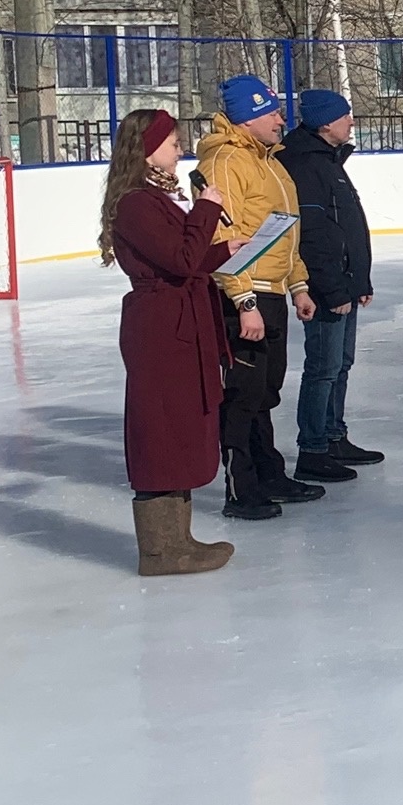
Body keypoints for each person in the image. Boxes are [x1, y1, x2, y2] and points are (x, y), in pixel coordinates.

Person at [98, 108, 238, 577]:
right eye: (174, 143)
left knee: (179, 428)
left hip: (178, 324)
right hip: (162, 330)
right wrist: (207, 208)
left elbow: (185, 260)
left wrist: (226, 250)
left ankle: (178, 539)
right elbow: (179, 260)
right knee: (161, 431)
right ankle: (159, 550)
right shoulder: (137, 203)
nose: (181, 151)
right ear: (148, 150)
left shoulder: (152, 200)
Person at [198, 73, 323, 520]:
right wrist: (243, 300)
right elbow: (220, 235)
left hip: (271, 291)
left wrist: (298, 284)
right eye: (270, 111)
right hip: (244, 296)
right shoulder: (227, 161)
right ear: (247, 117)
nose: (280, 118)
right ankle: (241, 488)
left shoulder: (270, 160)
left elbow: (282, 231)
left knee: (264, 393)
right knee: (243, 395)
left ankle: (269, 473)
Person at [280, 88, 384, 483]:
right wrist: (333, 289)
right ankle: (313, 448)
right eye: (345, 116)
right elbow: (314, 236)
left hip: (344, 282)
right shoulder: (306, 164)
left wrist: (359, 280)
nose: (351, 122)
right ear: (326, 123)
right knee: (322, 368)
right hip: (327, 287)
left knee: (340, 364)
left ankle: (333, 435)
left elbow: (346, 228)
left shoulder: (327, 159)